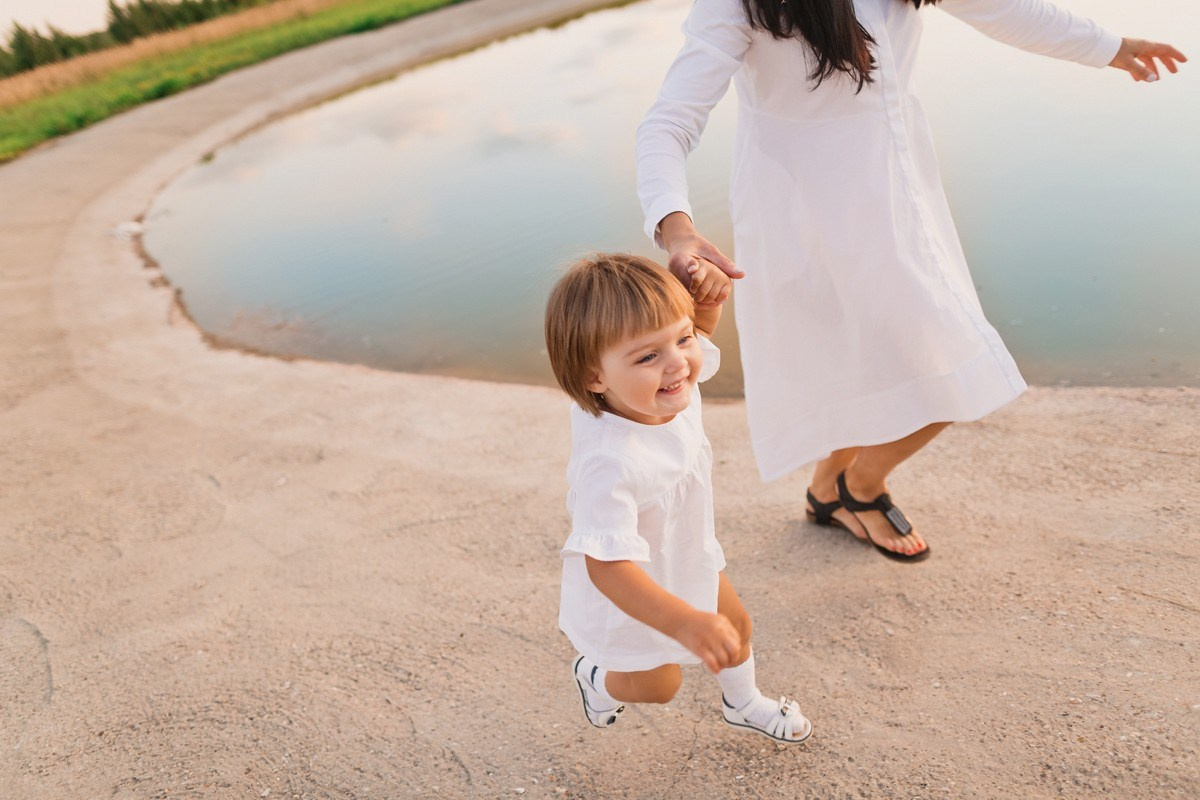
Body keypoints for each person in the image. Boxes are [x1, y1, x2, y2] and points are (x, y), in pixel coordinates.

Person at [635, 0, 1186, 562]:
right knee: (935, 364)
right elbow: (670, 120)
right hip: (802, 217)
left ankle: (830, 490)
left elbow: (1005, 10)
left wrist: (1113, 48)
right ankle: (862, 487)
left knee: (905, 360)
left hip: (899, 202)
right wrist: (677, 230)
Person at [544, 253, 811, 743]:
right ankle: (594, 677)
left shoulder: (663, 387)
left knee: (735, 626)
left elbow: (698, 333)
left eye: (682, 338)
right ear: (593, 379)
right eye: (648, 355)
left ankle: (743, 702)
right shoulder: (611, 462)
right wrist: (684, 622)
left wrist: (707, 300)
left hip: (686, 551)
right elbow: (605, 566)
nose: (679, 363)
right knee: (659, 684)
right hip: (632, 590)